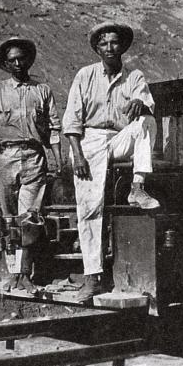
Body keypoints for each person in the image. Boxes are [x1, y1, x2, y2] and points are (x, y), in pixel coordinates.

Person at [63, 21, 160, 303]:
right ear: (97, 48)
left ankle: (137, 187)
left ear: (123, 47)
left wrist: (141, 105)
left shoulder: (134, 76)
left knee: (147, 122)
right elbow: (72, 121)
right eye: (104, 44)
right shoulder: (85, 76)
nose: (109, 48)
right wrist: (77, 155)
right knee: (89, 207)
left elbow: (145, 100)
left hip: (118, 139)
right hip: (89, 142)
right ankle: (92, 277)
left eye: (114, 43)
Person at [0, 37, 62, 293]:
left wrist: (56, 157)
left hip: (34, 156)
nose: (17, 63)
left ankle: (25, 273)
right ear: (5, 63)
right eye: (11, 60)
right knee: (10, 216)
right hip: (7, 157)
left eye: (21, 58)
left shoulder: (42, 90)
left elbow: (55, 127)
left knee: (29, 217)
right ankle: (13, 273)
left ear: (28, 60)